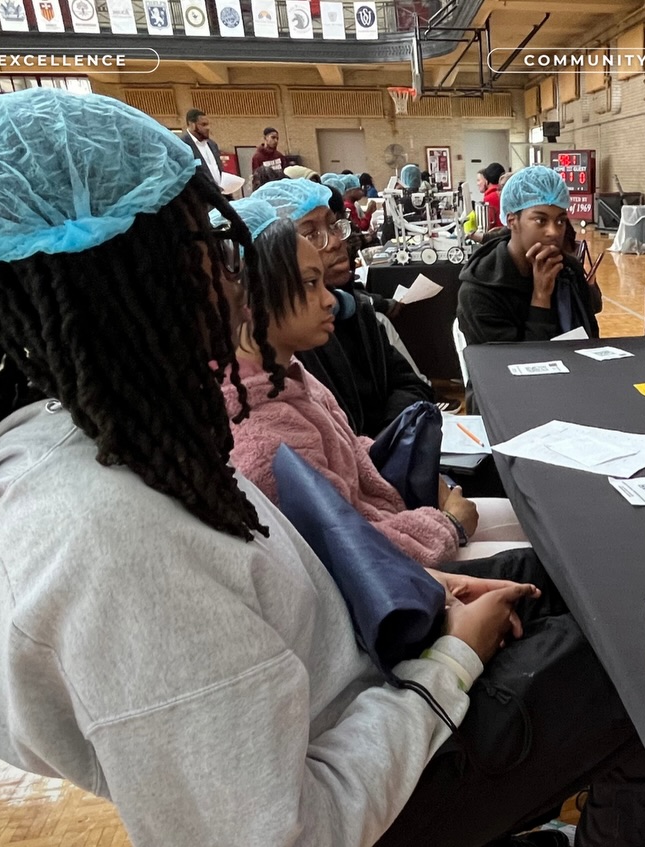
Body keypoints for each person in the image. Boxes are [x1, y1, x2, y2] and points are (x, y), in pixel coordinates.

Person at [0, 88, 645, 847]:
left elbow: (262, 593)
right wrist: (450, 661)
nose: (233, 275)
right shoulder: (109, 534)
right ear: (128, 271)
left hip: (361, 698)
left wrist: (417, 587)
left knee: (575, 586)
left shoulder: (87, 431)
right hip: (355, 799)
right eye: (204, 247)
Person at [220, 209, 528, 563]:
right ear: (250, 297)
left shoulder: (290, 373)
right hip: (397, 559)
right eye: (309, 284)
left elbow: (350, 450)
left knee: (528, 524)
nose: (330, 300)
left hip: (393, 520)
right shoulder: (264, 438)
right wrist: (448, 525)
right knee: (537, 565)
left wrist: (427, 477)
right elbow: (349, 554)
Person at [253, 177, 435, 435]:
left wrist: (385, 441)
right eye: (312, 233)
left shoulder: (357, 312)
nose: (337, 241)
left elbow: (412, 386)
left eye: (333, 225)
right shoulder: (289, 345)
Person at [457, 165, 600, 345]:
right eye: (541, 220)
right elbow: (513, 365)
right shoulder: (480, 291)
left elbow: (591, 337)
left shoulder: (568, 271)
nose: (554, 232)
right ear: (512, 221)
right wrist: (541, 297)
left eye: (561, 220)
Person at [180, 108, 223, 186]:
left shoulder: (212, 144)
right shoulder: (183, 146)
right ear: (191, 125)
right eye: (203, 125)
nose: (208, 128)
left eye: (208, 124)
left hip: (218, 193)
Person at [477, 161, 506, 232]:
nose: (477, 184)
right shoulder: (505, 192)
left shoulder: (489, 198)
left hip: (497, 236)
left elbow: (488, 224)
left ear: (486, 180)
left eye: (478, 180)